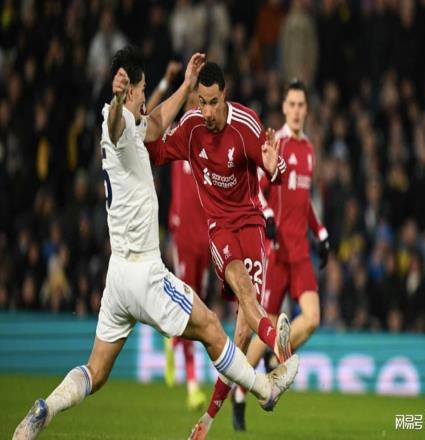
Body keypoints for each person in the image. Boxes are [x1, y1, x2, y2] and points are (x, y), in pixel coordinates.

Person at [12, 47, 298, 440]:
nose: (147, 96)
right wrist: (117, 99)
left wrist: (183, 84)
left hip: (117, 279)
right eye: (143, 89)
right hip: (146, 273)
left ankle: (47, 407)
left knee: (96, 372)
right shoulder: (118, 125)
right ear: (130, 91)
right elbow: (120, 125)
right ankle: (265, 389)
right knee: (213, 328)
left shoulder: (131, 126)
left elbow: (158, 121)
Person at [144, 61, 293, 439]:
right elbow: (155, 149)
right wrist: (137, 128)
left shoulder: (246, 125)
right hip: (219, 229)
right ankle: (283, 353)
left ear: (225, 95)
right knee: (243, 290)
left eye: (213, 102)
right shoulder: (191, 127)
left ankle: (209, 419)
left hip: (251, 224)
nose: (207, 111)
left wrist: (274, 168)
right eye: (202, 102)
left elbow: (276, 170)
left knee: (241, 335)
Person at [232, 79, 330, 431]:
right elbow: (257, 189)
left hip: (300, 251)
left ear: (306, 109)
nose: (297, 110)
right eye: (292, 104)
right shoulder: (279, 145)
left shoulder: (310, 150)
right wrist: (269, 216)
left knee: (313, 318)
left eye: (302, 105)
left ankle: (276, 363)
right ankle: (240, 389)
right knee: (266, 327)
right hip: (275, 251)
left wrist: (321, 232)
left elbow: (305, 202)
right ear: (285, 108)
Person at [148, 64, 208, 411]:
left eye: (201, 101)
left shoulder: (208, 139)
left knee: (199, 305)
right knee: (189, 308)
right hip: (184, 236)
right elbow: (147, 124)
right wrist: (169, 81)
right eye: (193, 100)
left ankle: (172, 341)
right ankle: (192, 384)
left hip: (207, 238)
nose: (197, 107)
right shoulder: (176, 134)